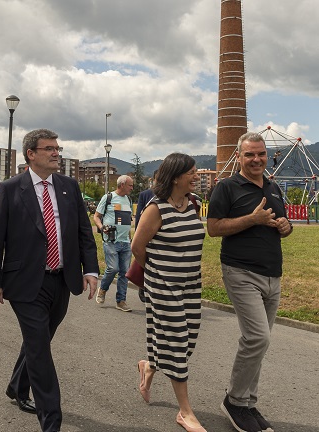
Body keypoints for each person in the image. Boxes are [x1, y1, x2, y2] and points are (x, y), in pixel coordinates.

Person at [0, 128, 99, 432]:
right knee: (39, 350)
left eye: (57, 148)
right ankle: (51, 421)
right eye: (49, 148)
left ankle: (17, 386)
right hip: (24, 283)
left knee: (40, 340)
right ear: (31, 154)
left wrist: (90, 269)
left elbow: (83, 232)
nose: (56, 153)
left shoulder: (69, 187)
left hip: (61, 280)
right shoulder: (10, 189)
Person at [207, 132, 292, 432]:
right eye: (249, 154)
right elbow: (214, 228)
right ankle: (234, 401)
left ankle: (247, 402)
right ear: (239, 157)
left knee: (260, 343)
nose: (256, 159)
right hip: (241, 271)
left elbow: (283, 224)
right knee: (257, 338)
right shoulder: (227, 187)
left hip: (272, 274)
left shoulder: (273, 187)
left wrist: (285, 226)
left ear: (266, 155)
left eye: (261, 154)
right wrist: (251, 220)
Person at [131, 153, 207, 432]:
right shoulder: (156, 208)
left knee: (188, 341)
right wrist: (157, 272)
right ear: (175, 177)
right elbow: (138, 247)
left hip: (191, 284)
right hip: (164, 285)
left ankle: (149, 366)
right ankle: (185, 412)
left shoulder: (192, 203)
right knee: (176, 342)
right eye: (192, 172)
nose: (196, 176)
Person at [93, 175, 134, 312]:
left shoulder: (128, 200)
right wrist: (101, 228)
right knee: (113, 268)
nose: (132, 188)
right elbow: (96, 216)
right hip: (111, 241)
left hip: (125, 242)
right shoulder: (108, 198)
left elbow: (127, 221)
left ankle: (121, 301)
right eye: (130, 185)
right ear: (122, 185)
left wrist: (130, 239)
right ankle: (103, 289)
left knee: (125, 273)